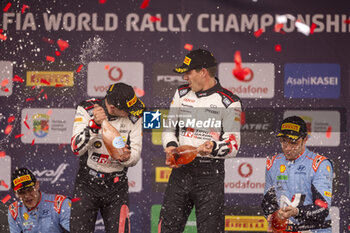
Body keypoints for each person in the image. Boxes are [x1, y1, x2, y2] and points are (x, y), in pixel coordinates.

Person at [158, 48, 243, 232]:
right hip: (181, 170)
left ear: (203, 72)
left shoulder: (229, 101)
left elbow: (233, 145)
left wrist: (213, 147)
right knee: (167, 228)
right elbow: (169, 130)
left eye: (188, 73)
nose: (185, 78)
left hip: (210, 175)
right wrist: (171, 147)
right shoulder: (180, 94)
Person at [70, 82, 145, 233]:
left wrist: (126, 158)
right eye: (127, 110)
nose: (132, 112)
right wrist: (94, 125)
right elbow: (76, 148)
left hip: (116, 186)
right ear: (113, 108)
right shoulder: (87, 109)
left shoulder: (135, 117)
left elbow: (136, 154)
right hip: (87, 184)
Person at [261, 116, 333, 233]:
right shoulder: (273, 163)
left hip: (314, 230)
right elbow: (268, 202)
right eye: (284, 141)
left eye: (294, 143)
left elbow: (323, 208)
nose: (288, 148)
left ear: (305, 139)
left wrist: (297, 212)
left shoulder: (319, 164)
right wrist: (273, 216)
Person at [7, 167, 71, 233]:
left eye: (30, 190)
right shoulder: (14, 210)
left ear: (37, 185)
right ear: (15, 193)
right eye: (21, 192)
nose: (27, 196)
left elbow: (74, 230)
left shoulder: (60, 203)